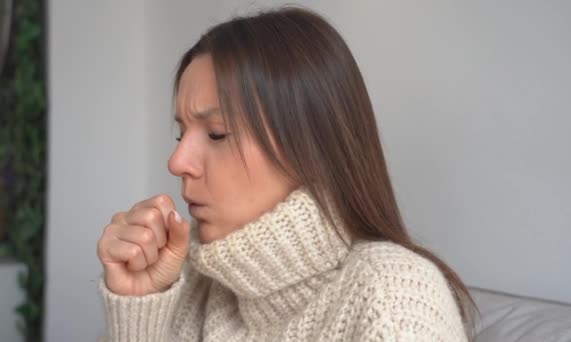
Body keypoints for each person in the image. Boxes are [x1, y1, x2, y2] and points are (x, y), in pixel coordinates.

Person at [96, 6, 477, 341]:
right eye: (181, 134)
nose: (177, 161)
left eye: (217, 133)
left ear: (311, 146)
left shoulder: (394, 297)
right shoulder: (186, 284)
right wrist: (137, 308)